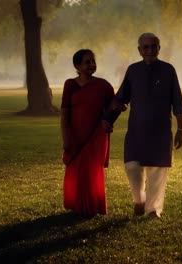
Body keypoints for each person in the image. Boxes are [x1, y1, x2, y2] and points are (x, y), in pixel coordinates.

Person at [103, 33, 182, 219]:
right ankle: (139, 200)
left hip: (161, 130)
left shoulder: (168, 70)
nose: (150, 50)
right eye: (145, 47)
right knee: (132, 166)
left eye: (153, 46)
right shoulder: (133, 71)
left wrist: (180, 130)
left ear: (159, 48)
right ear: (139, 50)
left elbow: (178, 102)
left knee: (157, 170)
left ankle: (153, 209)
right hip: (137, 130)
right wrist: (108, 119)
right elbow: (121, 98)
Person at [61, 49, 115, 217]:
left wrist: (110, 121)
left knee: (91, 170)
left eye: (93, 61)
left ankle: (92, 206)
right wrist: (65, 139)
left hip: (96, 136)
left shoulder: (103, 85)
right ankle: (77, 204)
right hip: (76, 134)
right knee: (76, 170)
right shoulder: (70, 84)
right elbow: (64, 114)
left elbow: (114, 108)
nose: (92, 65)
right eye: (87, 62)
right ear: (77, 65)